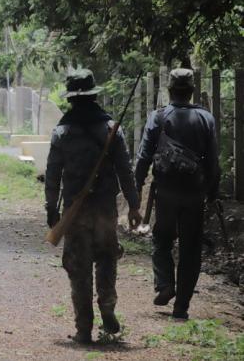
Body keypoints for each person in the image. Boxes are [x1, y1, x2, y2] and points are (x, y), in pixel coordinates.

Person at [45, 69, 142, 344]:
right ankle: (108, 307)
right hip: (105, 210)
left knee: (78, 269)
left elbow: (52, 175)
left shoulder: (61, 132)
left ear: (72, 99)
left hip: (75, 214)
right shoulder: (112, 129)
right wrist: (134, 206)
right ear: (93, 95)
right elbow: (126, 171)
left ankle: (84, 329)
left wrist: (51, 209)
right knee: (107, 260)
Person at [135, 68, 219, 320]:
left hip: (166, 192)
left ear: (169, 90)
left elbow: (144, 156)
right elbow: (213, 161)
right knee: (191, 248)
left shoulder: (158, 117)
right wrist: (212, 191)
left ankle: (164, 285)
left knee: (161, 239)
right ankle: (181, 307)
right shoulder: (206, 118)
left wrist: (136, 186)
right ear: (192, 91)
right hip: (194, 193)